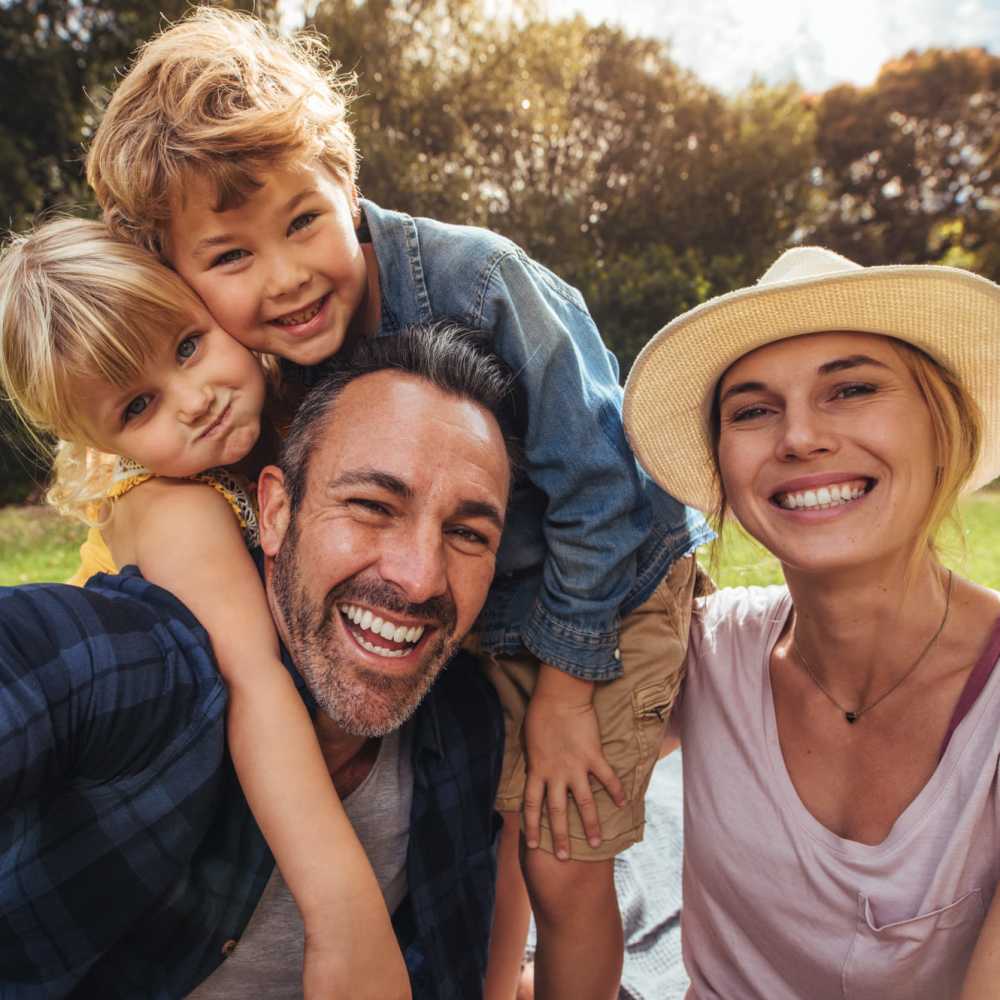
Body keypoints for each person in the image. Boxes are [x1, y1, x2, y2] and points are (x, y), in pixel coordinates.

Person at [84, 9, 713, 999]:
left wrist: (562, 691)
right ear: (182, 275)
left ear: (346, 180)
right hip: (472, 599)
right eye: (231, 257)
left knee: (559, 843)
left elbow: (608, 484)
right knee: (489, 817)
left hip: (609, 590)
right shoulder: (256, 365)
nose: (285, 277)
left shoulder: (482, 282)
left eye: (301, 222)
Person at [0, 325, 514, 998]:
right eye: (370, 505)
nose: (419, 578)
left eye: (468, 532)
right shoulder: (153, 665)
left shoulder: (468, 720)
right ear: (271, 509)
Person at [622, 245, 1000, 999]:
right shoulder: (704, 650)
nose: (798, 438)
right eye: (754, 411)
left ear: (941, 425)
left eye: (851, 389)